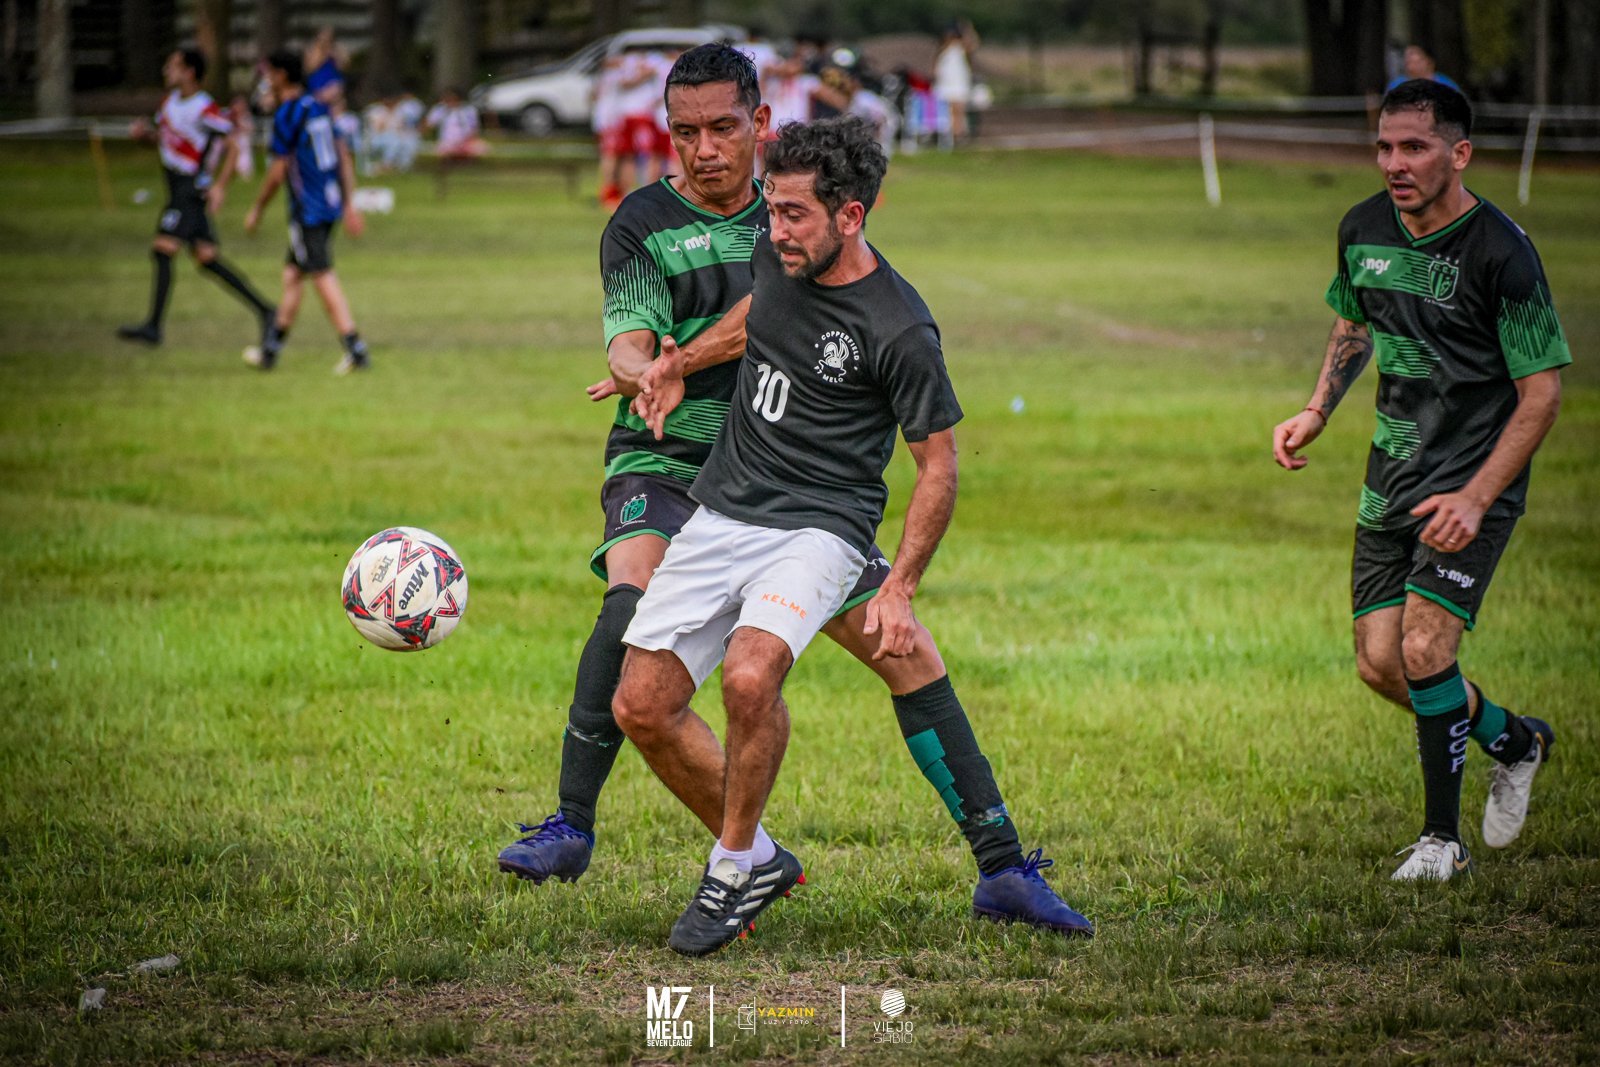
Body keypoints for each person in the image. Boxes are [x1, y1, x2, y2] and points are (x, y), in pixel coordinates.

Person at [496, 46, 1090, 951]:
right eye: (685, 131)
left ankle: (995, 864)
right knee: (635, 649)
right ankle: (604, 825)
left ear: (762, 127)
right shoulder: (712, 232)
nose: (705, 149)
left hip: (812, 503)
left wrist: (901, 585)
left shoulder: (873, 299)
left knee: (881, 654)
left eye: (722, 128)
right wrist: (662, 365)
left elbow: (935, 460)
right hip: (687, 470)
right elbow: (711, 322)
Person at [1272, 80, 1568, 882]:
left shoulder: (1502, 253)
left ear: (1459, 153)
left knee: (1425, 644)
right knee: (1381, 663)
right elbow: (1354, 319)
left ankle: (1443, 840)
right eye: (1384, 146)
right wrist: (1317, 409)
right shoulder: (1362, 227)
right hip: (1391, 479)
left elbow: (1542, 395)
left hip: (1472, 487)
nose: (1394, 163)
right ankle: (1516, 741)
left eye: (1414, 147)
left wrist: (1476, 497)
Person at [116, 49, 276, 350]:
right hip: (175, 187)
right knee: (207, 258)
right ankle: (267, 311)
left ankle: (153, 328)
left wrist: (220, 186)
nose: (166, 70)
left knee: (163, 249)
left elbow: (233, 144)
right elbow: (163, 141)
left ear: (189, 72)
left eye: (173, 66)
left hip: (190, 190)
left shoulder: (203, 107)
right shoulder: (169, 104)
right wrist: (143, 137)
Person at [242, 51, 370, 375]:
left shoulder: (287, 114)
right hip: (329, 202)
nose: (266, 80)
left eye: (269, 73)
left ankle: (355, 348)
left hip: (308, 209)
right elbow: (343, 155)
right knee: (293, 275)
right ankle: (270, 352)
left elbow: (277, 172)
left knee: (321, 274)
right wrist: (349, 202)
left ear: (282, 75)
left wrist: (257, 208)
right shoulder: (318, 106)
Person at [933, 21, 978, 147]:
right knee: (948, 113)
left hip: (958, 85)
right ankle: (952, 137)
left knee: (958, 112)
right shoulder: (943, 50)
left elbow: (973, 44)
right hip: (946, 85)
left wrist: (967, 29)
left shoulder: (961, 48)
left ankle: (958, 136)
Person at [1386, 44, 1461, 93]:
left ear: (1429, 62)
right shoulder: (1397, 85)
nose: (1411, 66)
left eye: (1416, 62)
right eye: (1408, 61)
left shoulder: (1445, 85)